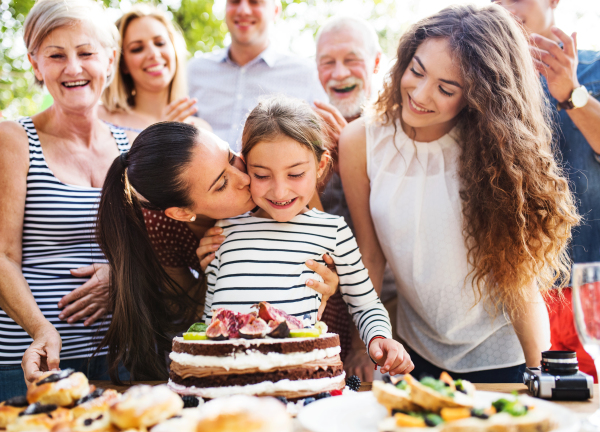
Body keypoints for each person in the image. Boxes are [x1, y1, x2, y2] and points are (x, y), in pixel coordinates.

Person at [339, 4, 580, 382]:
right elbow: (369, 256)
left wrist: (539, 373)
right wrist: (359, 347)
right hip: (414, 354)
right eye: (416, 71)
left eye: (446, 88)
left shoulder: (495, 153)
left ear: (476, 97)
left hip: (502, 360)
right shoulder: (359, 141)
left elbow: (520, 279)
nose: (419, 94)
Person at [96, 122, 339, 382]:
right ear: (182, 213)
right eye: (222, 184)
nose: (245, 178)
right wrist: (211, 278)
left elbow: (327, 257)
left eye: (231, 157)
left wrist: (330, 281)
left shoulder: (277, 179)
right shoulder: (161, 227)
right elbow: (190, 313)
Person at [201, 95, 413, 376]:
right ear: (245, 166)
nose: (279, 192)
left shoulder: (333, 231)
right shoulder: (224, 229)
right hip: (226, 383)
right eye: (262, 175)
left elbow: (366, 304)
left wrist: (379, 338)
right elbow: (209, 318)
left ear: (321, 166)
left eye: (296, 174)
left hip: (301, 379)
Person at [0, 0, 129, 400]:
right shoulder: (12, 139)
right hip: (29, 360)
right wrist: (41, 329)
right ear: (36, 65)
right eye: (56, 55)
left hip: (118, 354)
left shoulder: (133, 147)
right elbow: (2, 254)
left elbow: (154, 249)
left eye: (86, 53)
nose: (73, 68)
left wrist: (119, 276)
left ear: (109, 60)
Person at [495, 0, 600, 382]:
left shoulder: (595, 67)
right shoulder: (483, 78)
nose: (505, 7)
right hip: (513, 293)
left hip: (589, 286)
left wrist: (572, 94)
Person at [187, 0, 327, 152]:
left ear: (275, 11)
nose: (243, 10)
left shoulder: (306, 74)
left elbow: (322, 144)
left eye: (254, 2)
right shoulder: (194, 70)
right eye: (235, 1)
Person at [99, 4, 211, 143]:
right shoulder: (102, 120)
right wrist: (159, 136)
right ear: (122, 64)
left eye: (160, 43)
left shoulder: (200, 129)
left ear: (174, 50)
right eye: (137, 49)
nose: (153, 54)